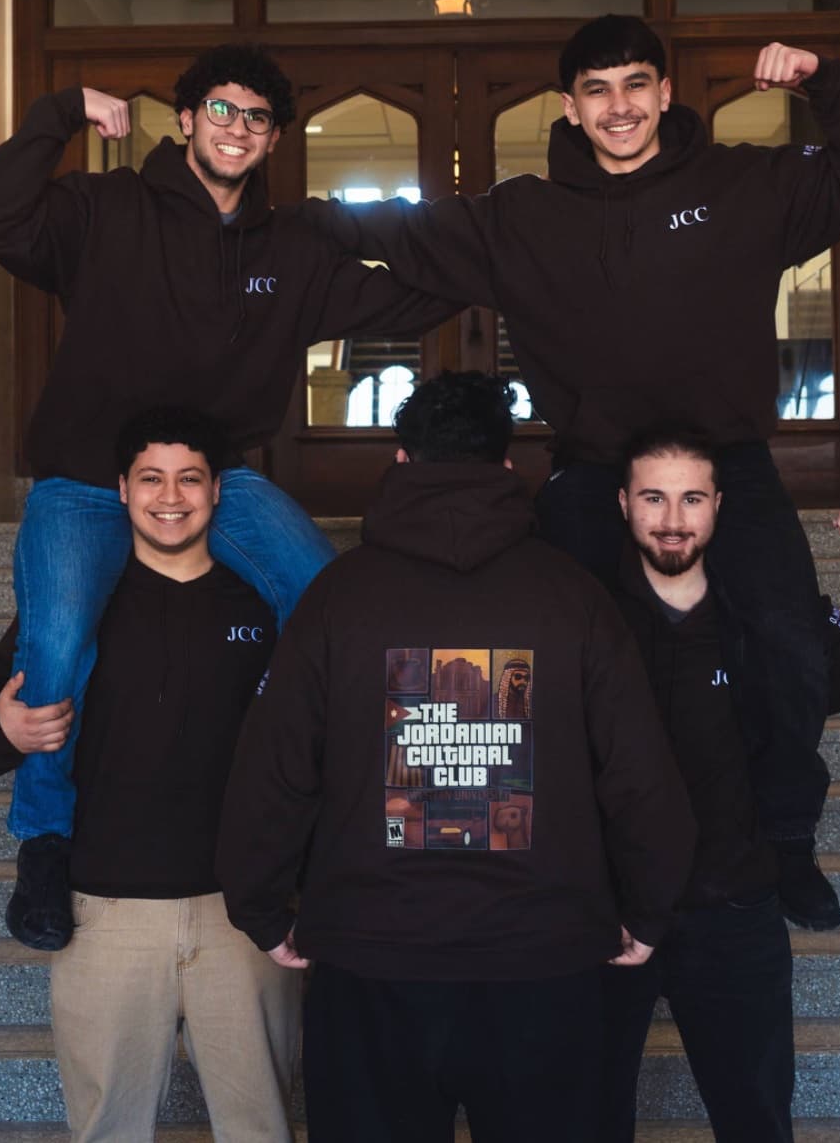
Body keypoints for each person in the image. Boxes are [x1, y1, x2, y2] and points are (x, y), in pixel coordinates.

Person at [306, 15, 840, 929]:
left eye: (635, 84)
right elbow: (397, 227)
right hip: (593, 473)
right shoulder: (523, 215)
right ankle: (565, 843)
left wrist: (826, 81)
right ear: (571, 106)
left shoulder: (741, 186)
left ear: (665, 92)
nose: (619, 106)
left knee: (787, 643)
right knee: (543, 659)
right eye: (598, 89)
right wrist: (272, 219)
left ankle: (785, 837)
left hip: (729, 469)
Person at [0, 43, 458, 948]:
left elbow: (419, 300)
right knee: (61, 639)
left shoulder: (292, 250)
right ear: (185, 120)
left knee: (329, 599)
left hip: (217, 484)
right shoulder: (104, 209)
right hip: (83, 481)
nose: (237, 128)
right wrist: (61, 110)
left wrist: (355, 227)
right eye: (220, 110)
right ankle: (44, 841)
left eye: (257, 118)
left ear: (272, 141)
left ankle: (335, 812)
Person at [215, 372, 696, 1143]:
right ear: (510, 470)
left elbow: (274, 768)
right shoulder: (575, 598)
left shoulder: (338, 598)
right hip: (546, 964)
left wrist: (262, 907)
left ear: (401, 460)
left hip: (374, 966)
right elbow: (640, 774)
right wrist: (648, 907)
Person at [0, 407, 299, 1142]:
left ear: (216, 492)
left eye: (189, 479)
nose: (169, 497)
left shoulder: (259, 605)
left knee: (261, 1129)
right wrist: (2, 728)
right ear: (120, 488)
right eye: (151, 478)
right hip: (103, 914)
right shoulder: (76, 603)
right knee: (108, 1131)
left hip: (243, 915)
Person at [597, 428, 840, 1142]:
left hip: (733, 910)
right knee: (584, 1123)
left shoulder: (770, 627)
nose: (672, 518)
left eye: (692, 498)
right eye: (654, 498)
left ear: (720, 505)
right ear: (624, 503)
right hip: (608, 915)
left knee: (756, 1121)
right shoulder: (584, 622)